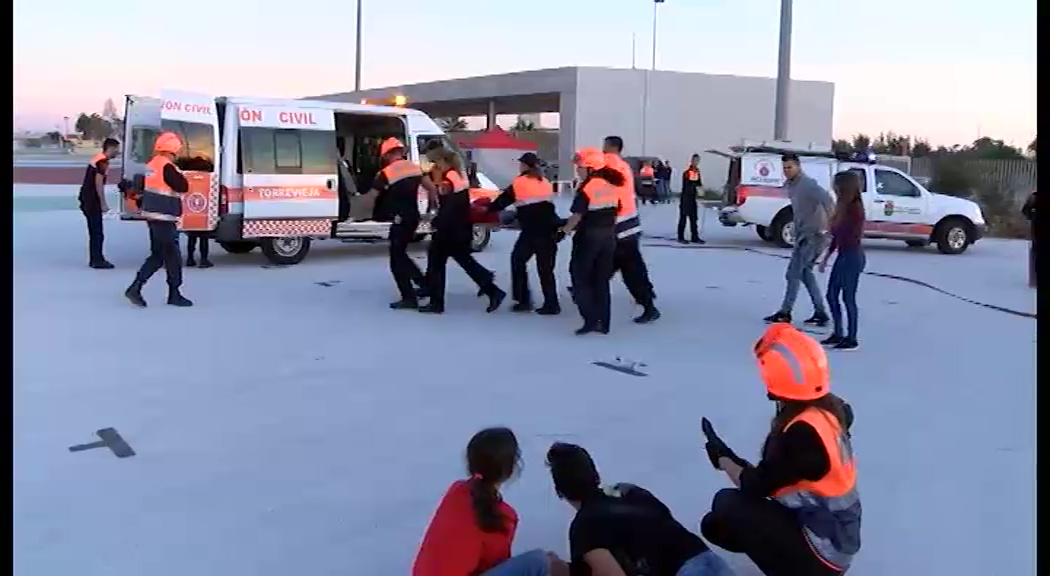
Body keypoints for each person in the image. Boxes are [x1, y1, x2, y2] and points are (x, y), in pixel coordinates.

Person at [699, 324, 861, 576]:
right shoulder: (831, 410)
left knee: (726, 509)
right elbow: (776, 475)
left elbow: (755, 485)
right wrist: (732, 459)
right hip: (838, 534)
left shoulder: (801, 435)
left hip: (824, 550)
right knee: (728, 507)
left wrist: (723, 458)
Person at [545, 442, 737, 576]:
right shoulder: (630, 492)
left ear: (559, 491)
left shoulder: (584, 526)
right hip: (709, 561)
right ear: (595, 475)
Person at [413, 428, 571, 576]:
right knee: (539, 561)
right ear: (511, 468)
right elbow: (494, 565)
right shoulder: (503, 515)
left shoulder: (456, 490)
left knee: (544, 561)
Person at [419, 147, 506, 314]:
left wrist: (437, 221)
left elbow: (449, 203)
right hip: (458, 227)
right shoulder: (456, 175)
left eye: (434, 162)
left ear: (442, 161)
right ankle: (490, 287)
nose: (432, 166)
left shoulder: (449, 179)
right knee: (463, 260)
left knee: (437, 262)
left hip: (449, 228)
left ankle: (436, 303)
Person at [763, 154, 834, 327]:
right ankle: (820, 312)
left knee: (793, 274)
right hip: (803, 234)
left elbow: (828, 200)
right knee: (805, 273)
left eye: (790, 167)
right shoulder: (792, 185)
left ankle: (785, 313)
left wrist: (830, 225)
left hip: (814, 236)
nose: (787, 171)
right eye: (785, 168)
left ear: (799, 167)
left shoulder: (808, 184)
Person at [124, 132, 193, 308]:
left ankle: (145, 289)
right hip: (165, 217)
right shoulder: (168, 167)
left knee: (159, 255)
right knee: (171, 257)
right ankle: (161, 292)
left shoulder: (151, 165)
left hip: (153, 217)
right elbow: (183, 187)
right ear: (173, 149)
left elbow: (139, 186)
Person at [359, 137, 429, 309]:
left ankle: (409, 297)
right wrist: (434, 206)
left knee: (396, 259)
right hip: (413, 216)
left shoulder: (386, 173)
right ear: (400, 152)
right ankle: (424, 284)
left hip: (400, 219)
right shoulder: (414, 168)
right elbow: (431, 188)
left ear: (388, 155)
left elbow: (372, 197)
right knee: (401, 253)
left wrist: (357, 207)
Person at [488, 152, 561, 314]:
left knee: (517, 261)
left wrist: (487, 209)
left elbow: (501, 202)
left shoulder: (520, 182)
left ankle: (523, 300)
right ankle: (552, 303)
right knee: (546, 269)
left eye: (521, 164)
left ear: (525, 166)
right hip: (549, 229)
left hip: (532, 231)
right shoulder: (545, 182)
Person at [558, 148, 621, 335]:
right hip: (609, 237)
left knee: (580, 278)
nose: (578, 170)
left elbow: (577, 215)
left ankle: (590, 319)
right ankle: (604, 322)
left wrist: (564, 231)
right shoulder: (611, 184)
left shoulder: (588, 187)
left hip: (589, 238)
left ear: (591, 168)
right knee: (601, 280)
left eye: (580, 167)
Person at [603, 136, 660, 324]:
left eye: (604, 146)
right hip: (627, 222)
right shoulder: (624, 166)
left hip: (621, 225)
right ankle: (586, 286)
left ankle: (649, 305)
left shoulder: (611, 164)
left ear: (611, 147)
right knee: (614, 263)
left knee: (629, 268)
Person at [817, 171, 866, 350]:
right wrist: (826, 258)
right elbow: (837, 238)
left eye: (837, 185)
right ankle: (838, 333)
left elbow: (847, 236)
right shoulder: (842, 206)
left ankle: (851, 338)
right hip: (844, 255)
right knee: (831, 295)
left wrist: (834, 226)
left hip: (853, 256)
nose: (834, 189)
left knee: (848, 298)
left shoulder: (855, 209)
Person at [79, 137, 120, 269]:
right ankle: (97, 260)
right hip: (91, 200)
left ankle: (96, 258)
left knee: (95, 231)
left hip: (87, 198)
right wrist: (103, 203)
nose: (117, 152)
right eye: (116, 149)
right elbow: (98, 183)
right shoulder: (102, 161)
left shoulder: (99, 159)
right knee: (97, 232)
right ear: (111, 148)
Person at [678, 154, 705, 244]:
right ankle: (680, 237)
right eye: (695, 160)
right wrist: (695, 188)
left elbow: (699, 183)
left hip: (693, 198)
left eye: (697, 161)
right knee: (683, 218)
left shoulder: (697, 172)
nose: (696, 162)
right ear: (691, 161)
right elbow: (687, 185)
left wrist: (701, 190)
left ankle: (695, 236)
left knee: (694, 218)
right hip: (686, 198)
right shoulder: (687, 172)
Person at [1022, 190, 1036, 288]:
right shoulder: (1034, 197)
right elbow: (1025, 210)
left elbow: (1025, 211)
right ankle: (1034, 281)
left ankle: (1034, 281)